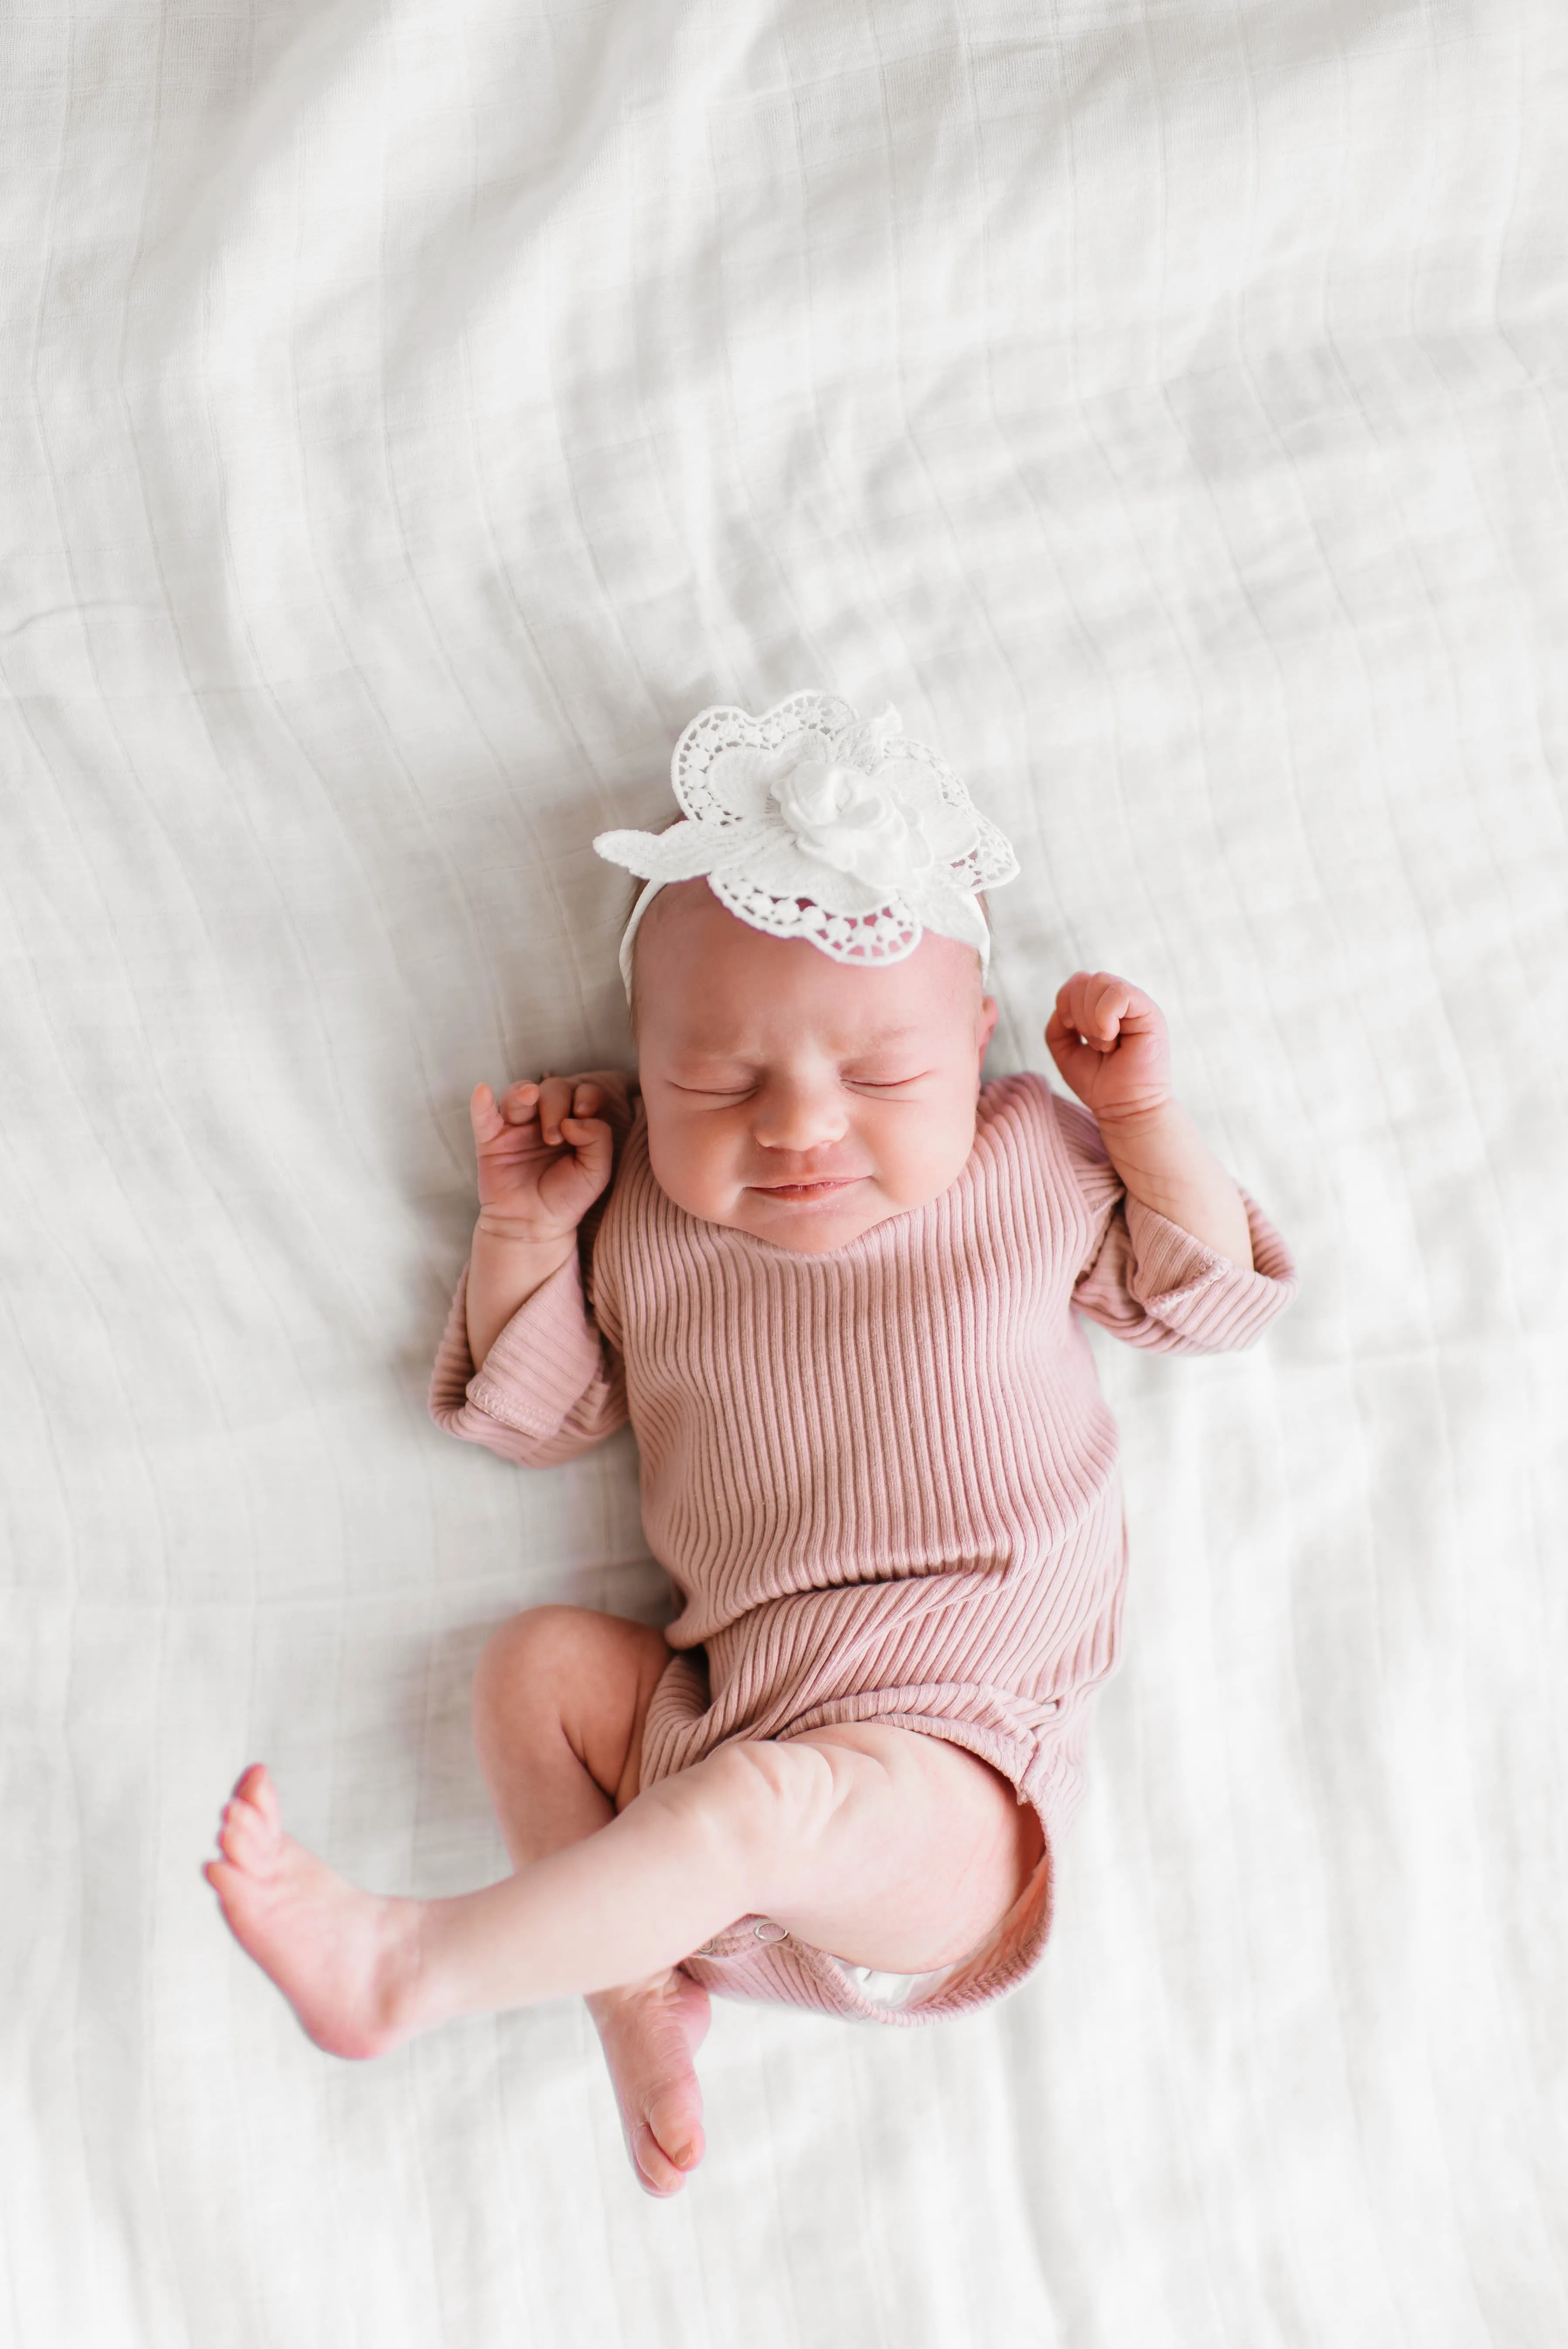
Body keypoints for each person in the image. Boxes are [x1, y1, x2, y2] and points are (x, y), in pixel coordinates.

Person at [206, 693, 1296, 2196]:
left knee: (763, 1807)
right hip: (710, 1738)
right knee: (533, 1670)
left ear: (975, 1045)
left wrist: (1146, 1114)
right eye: (715, 1084)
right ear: (643, 1067)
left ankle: (408, 1967)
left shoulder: (1031, 1157)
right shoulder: (646, 1221)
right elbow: (535, 1418)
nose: (798, 1128)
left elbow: (1208, 1300)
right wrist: (530, 1230)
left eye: (879, 1078)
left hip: (953, 1781)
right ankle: (635, 1992)